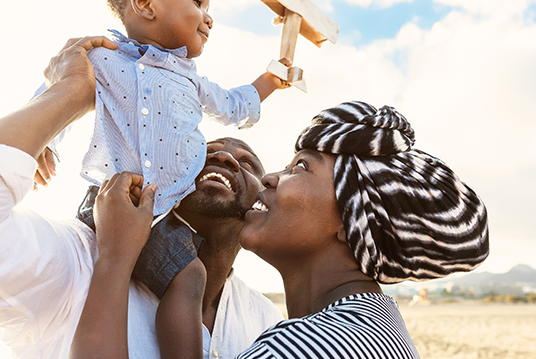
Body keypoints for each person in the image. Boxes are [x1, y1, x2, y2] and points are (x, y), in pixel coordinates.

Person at [0, 36, 283, 359]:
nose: (224, 156)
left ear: (260, 201)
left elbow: (238, 102)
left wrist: (272, 77)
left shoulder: (267, 321)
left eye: (247, 161)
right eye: (200, 149)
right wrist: (70, 95)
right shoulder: (72, 265)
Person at [73, 101, 490, 359]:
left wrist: (114, 258)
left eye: (301, 168)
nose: (271, 177)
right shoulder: (373, 330)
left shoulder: (311, 346)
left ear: (352, 224)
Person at [33, 0, 288, 359]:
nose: (208, 17)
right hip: (117, 201)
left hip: (160, 210)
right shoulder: (103, 57)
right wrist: (44, 140)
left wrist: (269, 80)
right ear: (145, 4)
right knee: (189, 279)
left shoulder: (190, 78)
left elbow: (234, 104)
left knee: (192, 275)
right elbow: (58, 89)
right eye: (196, 1)